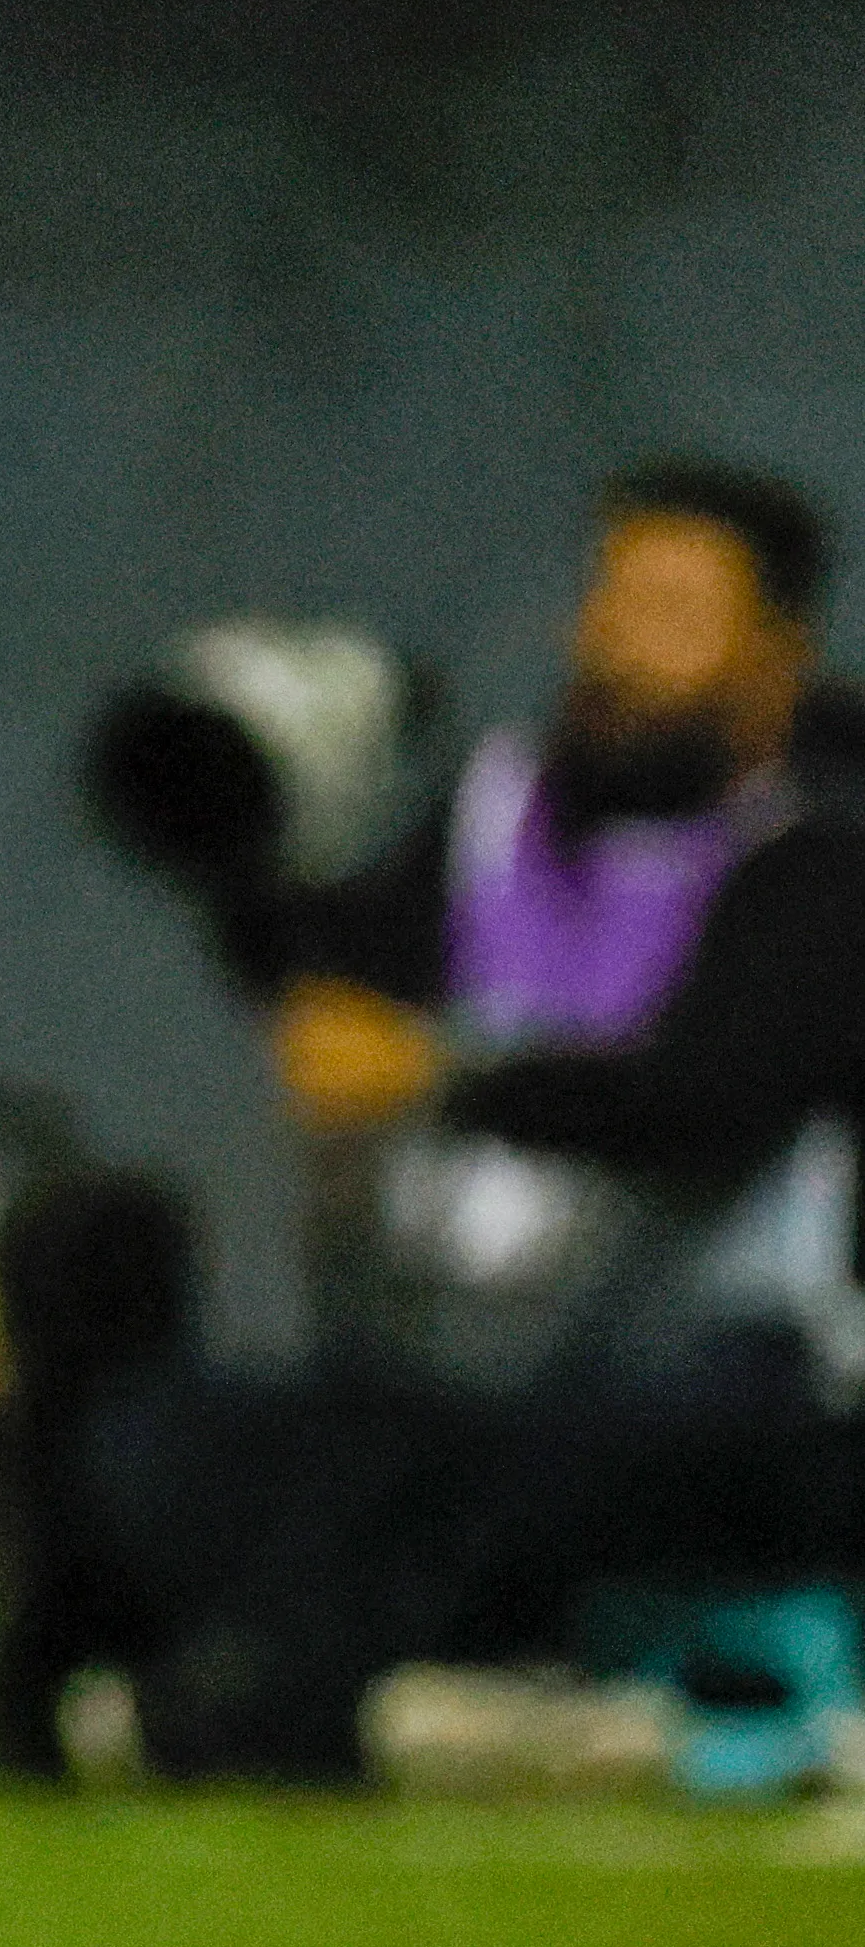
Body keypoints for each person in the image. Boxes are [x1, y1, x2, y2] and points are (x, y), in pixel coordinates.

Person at [271, 462, 865, 1394]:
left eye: (670, 617)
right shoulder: (491, 808)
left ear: (777, 659)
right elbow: (349, 1003)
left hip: (707, 1383)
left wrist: (438, 1076)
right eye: (608, 601)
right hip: (448, 1348)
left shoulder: (818, 862)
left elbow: (706, 1102)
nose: (615, 650)